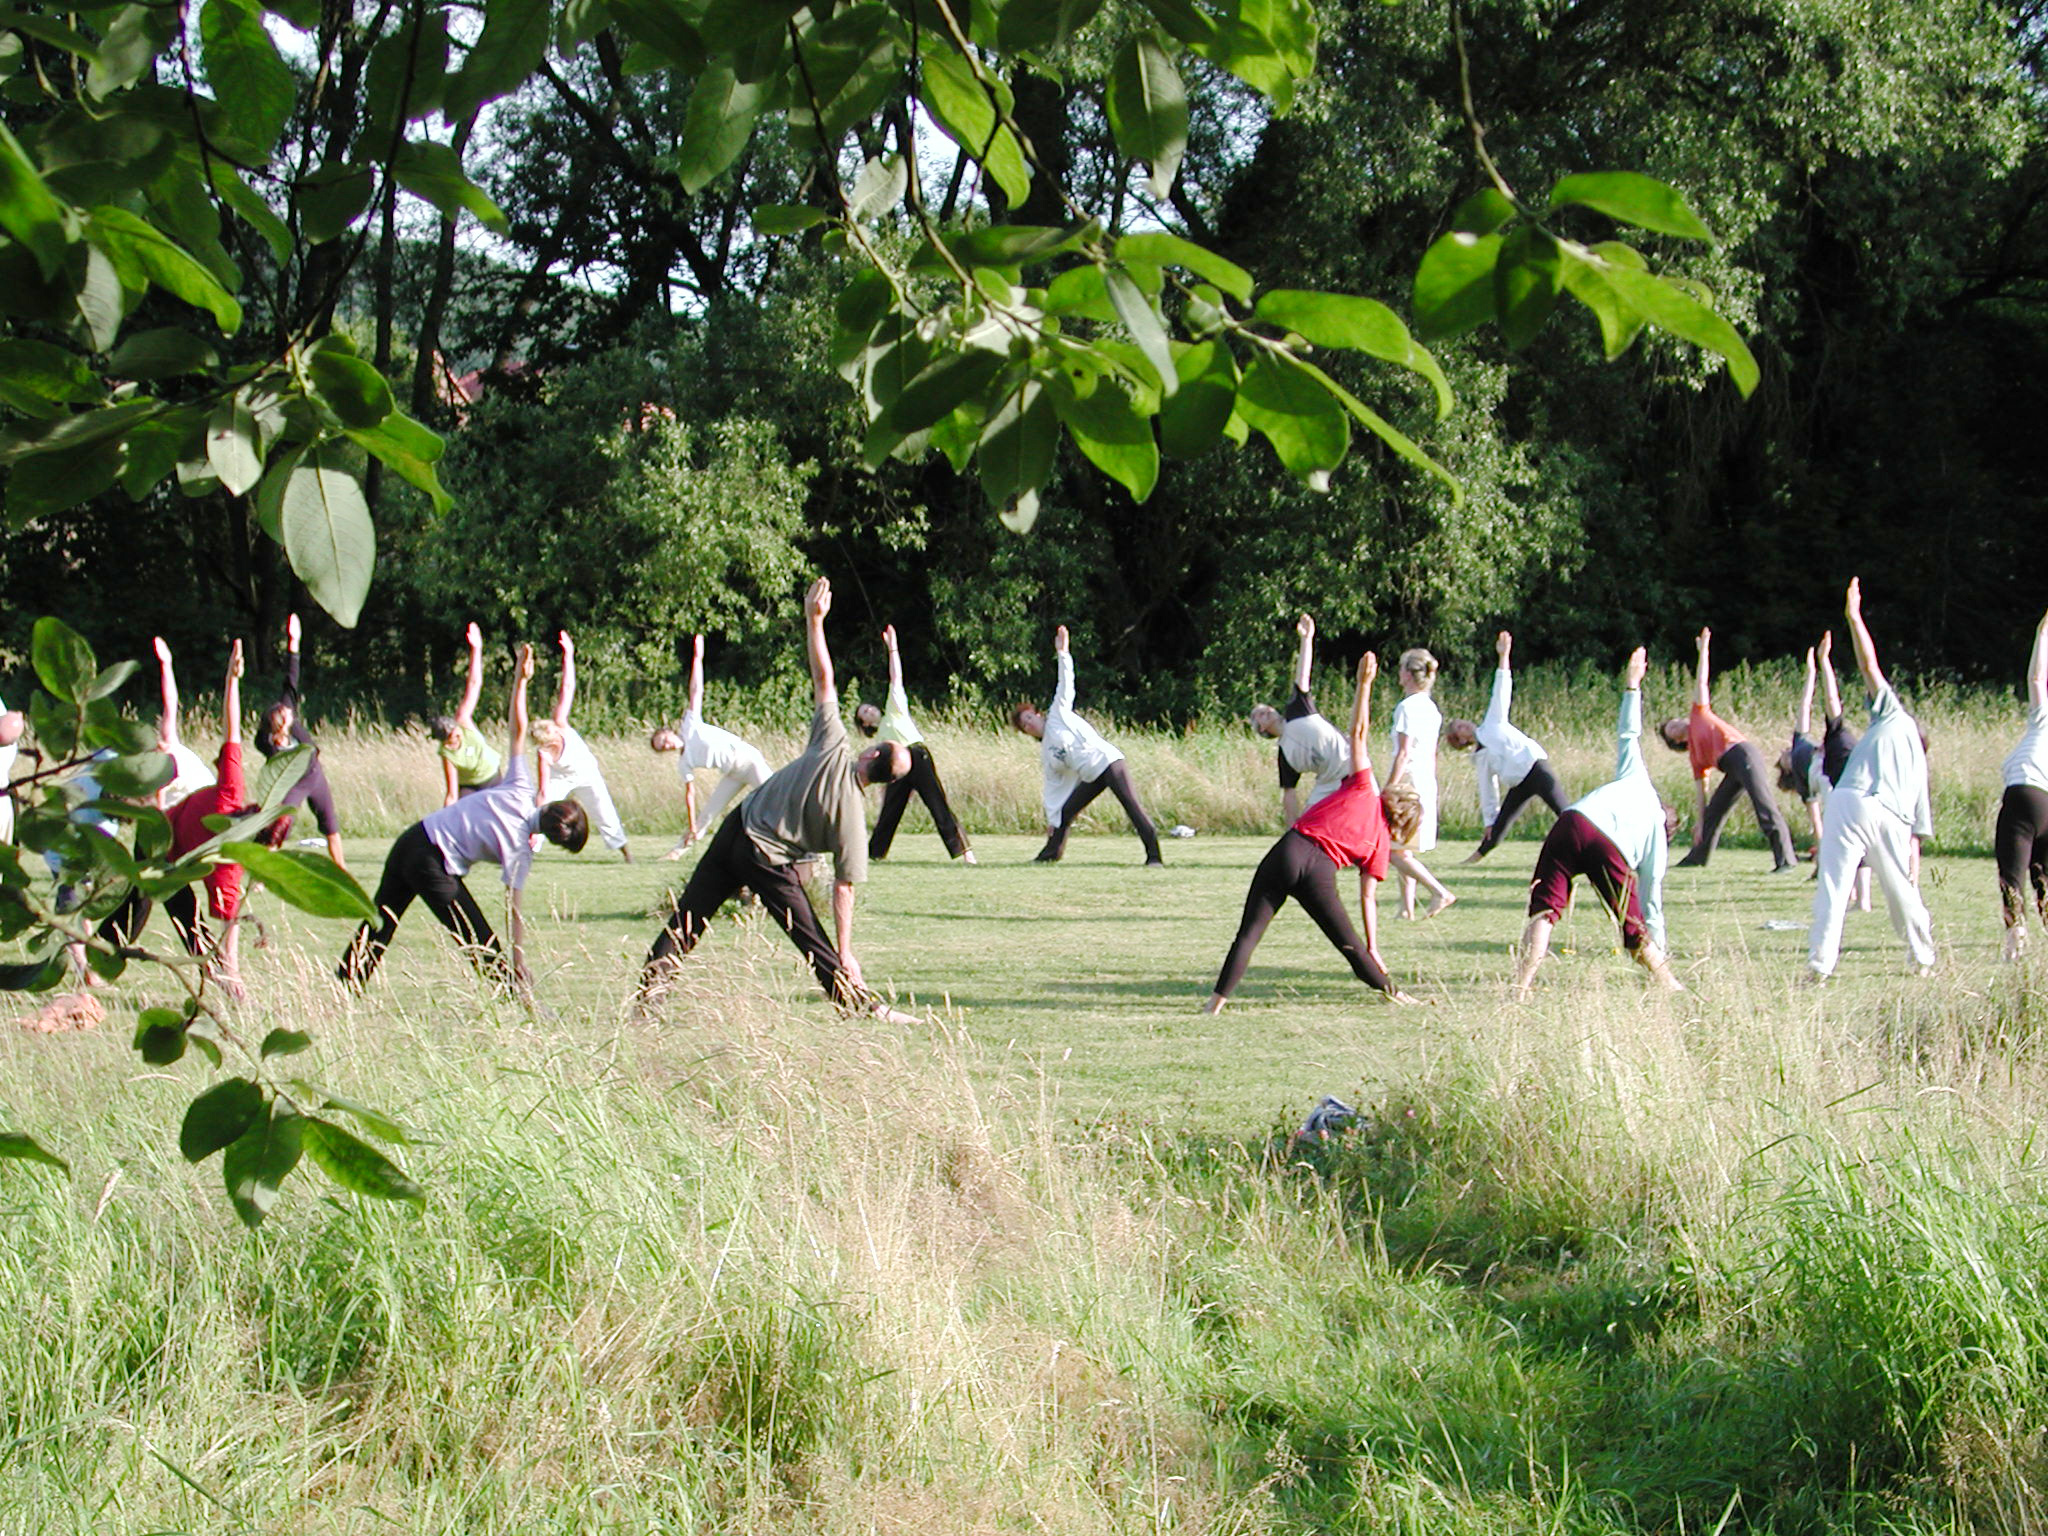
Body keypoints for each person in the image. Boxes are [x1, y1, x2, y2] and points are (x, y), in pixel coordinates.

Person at [638, 579, 916, 1021]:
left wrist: (814, 620)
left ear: (870, 753)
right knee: (811, 937)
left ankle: (646, 1002)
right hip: (767, 858)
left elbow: (823, 677)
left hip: (736, 828)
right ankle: (859, 1005)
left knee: (688, 919)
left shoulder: (831, 743)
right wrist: (847, 952)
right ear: (881, 781)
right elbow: (844, 890)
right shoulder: (853, 821)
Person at [341, 643, 589, 995]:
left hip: (412, 838)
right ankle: (520, 999)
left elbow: (517, 728)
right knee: (477, 938)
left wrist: (521, 679)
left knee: (381, 921)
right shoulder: (521, 852)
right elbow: (513, 913)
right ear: (556, 840)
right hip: (433, 862)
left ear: (552, 806)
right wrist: (519, 964)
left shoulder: (519, 786)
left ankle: (344, 985)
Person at [1205, 651, 1424, 1012]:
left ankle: (1214, 1005)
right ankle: (1396, 995)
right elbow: (1367, 899)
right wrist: (1372, 946)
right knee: (1347, 943)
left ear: (1391, 795)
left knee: (1248, 934)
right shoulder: (1381, 845)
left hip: (1288, 850)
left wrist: (1364, 685)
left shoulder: (1363, 788)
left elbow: (1358, 732)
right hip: (1319, 872)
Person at [1513, 647, 1682, 998]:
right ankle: (1669, 984)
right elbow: (1651, 903)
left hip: (1574, 820)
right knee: (1633, 928)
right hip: (1610, 846)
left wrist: (1633, 686)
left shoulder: (1638, 778)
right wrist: (1659, 948)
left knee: (1544, 908)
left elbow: (1628, 734)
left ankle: (1520, 986)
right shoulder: (1656, 840)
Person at [1806, 579, 1936, 981]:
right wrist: (1908, 871)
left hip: (1847, 801)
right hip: (1891, 815)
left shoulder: (1895, 715)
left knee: (1833, 886)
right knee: (1901, 894)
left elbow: (1868, 665)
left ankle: (1819, 967)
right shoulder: (1919, 769)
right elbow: (1917, 831)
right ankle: (1923, 959)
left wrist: (1854, 616)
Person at [160, 638, 273, 999]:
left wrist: (233, 972)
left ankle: (216, 973)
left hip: (167, 843)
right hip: (167, 833)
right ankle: (214, 970)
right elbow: (232, 727)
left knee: (185, 915)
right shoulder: (230, 790)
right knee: (166, 908)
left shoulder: (229, 862)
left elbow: (230, 921)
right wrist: (231, 680)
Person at [1011, 626, 1163, 866]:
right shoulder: (1047, 754)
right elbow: (1054, 787)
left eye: (1030, 717)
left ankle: (1154, 856)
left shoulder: (1058, 713)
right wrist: (1052, 819)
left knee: (1131, 805)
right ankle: (1051, 854)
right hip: (1092, 775)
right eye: (1024, 725)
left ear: (1039, 714)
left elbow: (1066, 682)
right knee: (1065, 812)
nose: (1029, 723)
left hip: (1109, 762)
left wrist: (1063, 653)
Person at [1662, 627, 1796, 871]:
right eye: (1672, 728)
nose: (1677, 722)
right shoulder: (1695, 756)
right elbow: (1701, 792)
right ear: (1677, 741)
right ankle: (1696, 858)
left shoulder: (1699, 713)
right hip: (1731, 767)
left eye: (1675, 720)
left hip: (1743, 754)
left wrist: (1704, 651)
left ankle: (1785, 860)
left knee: (1763, 805)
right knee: (1714, 811)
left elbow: (1702, 680)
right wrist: (1700, 822)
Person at [1445, 630, 1568, 862]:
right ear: (1461, 741)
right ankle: (1472, 860)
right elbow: (1488, 789)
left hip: (1536, 768)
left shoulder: (1491, 722)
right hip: (1518, 783)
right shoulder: (1480, 758)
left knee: (1564, 812)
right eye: (1459, 729)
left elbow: (1501, 691)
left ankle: (1590, 843)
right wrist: (1489, 821)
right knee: (1498, 828)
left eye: (1462, 722)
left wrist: (1504, 656)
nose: (1465, 725)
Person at [858, 623, 975, 863]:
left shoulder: (894, 708)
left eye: (868, 708)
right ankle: (875, 855)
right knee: (890, 811)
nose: (869, 711)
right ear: (866, 725)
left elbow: (896, 677)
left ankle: (964, 852)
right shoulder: (879, 741)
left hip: (916, 756)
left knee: (937, 803)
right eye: (864, 714)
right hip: (894, 765)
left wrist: (893, 649)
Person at [650, 634, 772, 858]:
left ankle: (809, 844)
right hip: (733, 773)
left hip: (748, 760)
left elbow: (696, 690)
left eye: (664, 740)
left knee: (776, 798)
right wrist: (691, 823)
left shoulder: (690, 724)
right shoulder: (683, 762)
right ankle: (677, 852)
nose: (666, 745)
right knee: (706, 815)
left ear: (668, 732)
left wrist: (698, 656)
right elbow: (690, 793)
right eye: (662, 747)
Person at [1775, 635, 1869, 909]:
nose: (1782, 753)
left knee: (1850, 839)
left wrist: (1811, 672)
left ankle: (1854, 894)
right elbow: (1815, 818)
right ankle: (1853, 893)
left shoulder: (1803, 743)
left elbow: (1805, 705)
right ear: (1787, 767)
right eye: (1781, 759)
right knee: (1848, 838)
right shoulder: (1805, 773)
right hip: (1831, 782)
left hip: (1839, 781)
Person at [258, 611, 348, 872]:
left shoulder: (288, 711)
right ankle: (263, 873)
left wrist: (293, 641)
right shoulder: (270, 745)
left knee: (331, 824)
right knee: (281, 824)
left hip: (313, 774)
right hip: (293, 782)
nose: (290, 713)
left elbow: (291, 679)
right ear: (278, 725)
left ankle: (341, 871)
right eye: (285, 715)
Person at [533, 630, 633, 862]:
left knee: (605, 812)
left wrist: (568, 654)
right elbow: (543, 791)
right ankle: (529, 846)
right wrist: (539, 810)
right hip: (562, 778)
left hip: (588, 774)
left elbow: (567, 688)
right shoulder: (544, 754)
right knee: (543, 808)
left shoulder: (560, 723)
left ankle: (627, 855)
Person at [1249, 613, 1351, 823]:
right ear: (1262, 730)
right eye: (1259, 714)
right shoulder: (1285, 754)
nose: (1266, 710)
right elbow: (1289, 793)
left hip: (1353, 766)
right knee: (1309, 828)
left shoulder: (1297, 709)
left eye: (1266, 707)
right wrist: (1292, 828)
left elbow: (1303, 675)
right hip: (1328, 783)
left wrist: (1306, 639)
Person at [1995, 608, 2048, 960]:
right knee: (2042, 874)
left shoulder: (2044, 719)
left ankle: (2016, 943)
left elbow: (2037, 679)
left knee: (2011, 875)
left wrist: (2043, 631)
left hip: (2025, 793)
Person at [1387, 647, 1454, 918]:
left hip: (1408, 782)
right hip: (1425, 780)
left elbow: (1404, 752)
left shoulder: (1407, 707)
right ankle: (1406, 907)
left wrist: (1388, 787)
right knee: (1403, 847)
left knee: (1393, 850)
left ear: (1408, 674)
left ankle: (1439, 892)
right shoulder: (1430, 707)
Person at [430, 621, 503, 805]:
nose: (456, 736)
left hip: (492, 776)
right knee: (462, 814)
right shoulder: (447, 754)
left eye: (455, 731)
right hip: (469, 786)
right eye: (451, 738)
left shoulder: (462, 720)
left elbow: (474, 684)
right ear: (444, 740)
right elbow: (451, 794)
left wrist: (476, 649)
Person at [154, 635, 216, 811]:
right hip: (189, 811)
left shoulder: (171, 744)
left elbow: (171, 701)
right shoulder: (158, 774)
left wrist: (166, 664)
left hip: (206, 799)